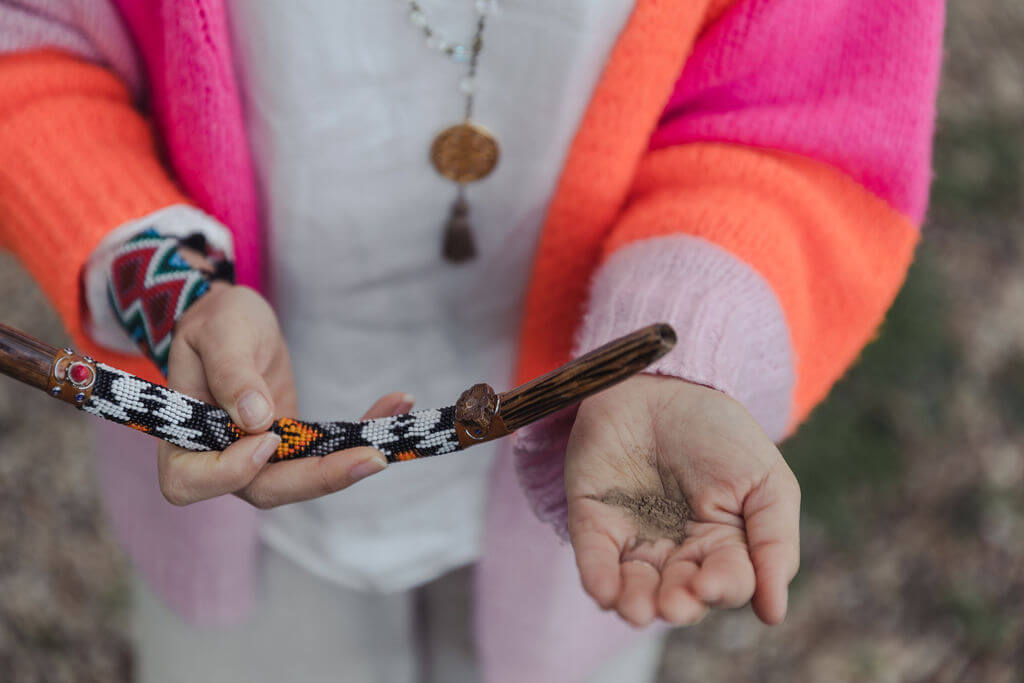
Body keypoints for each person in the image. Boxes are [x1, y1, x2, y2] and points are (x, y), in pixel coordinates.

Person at [0, 1, 944, 681]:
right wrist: (170, 292)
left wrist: (689, 349)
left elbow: (801, 124)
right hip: (231, 507)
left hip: (591, 508)